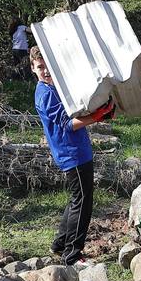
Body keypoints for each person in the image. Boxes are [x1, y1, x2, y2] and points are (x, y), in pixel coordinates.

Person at [31, 47, 114, 266]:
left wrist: (99, 112)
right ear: (33, 68)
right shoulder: (45, 93)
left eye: (48, 66)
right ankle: (72, 255)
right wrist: (96, 117)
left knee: (77, 198)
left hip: (77, 150)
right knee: (83, 202)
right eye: (40, 67)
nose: (46, 71)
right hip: (71, 153)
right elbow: (68, 125)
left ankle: (60, 244)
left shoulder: (55, 87)